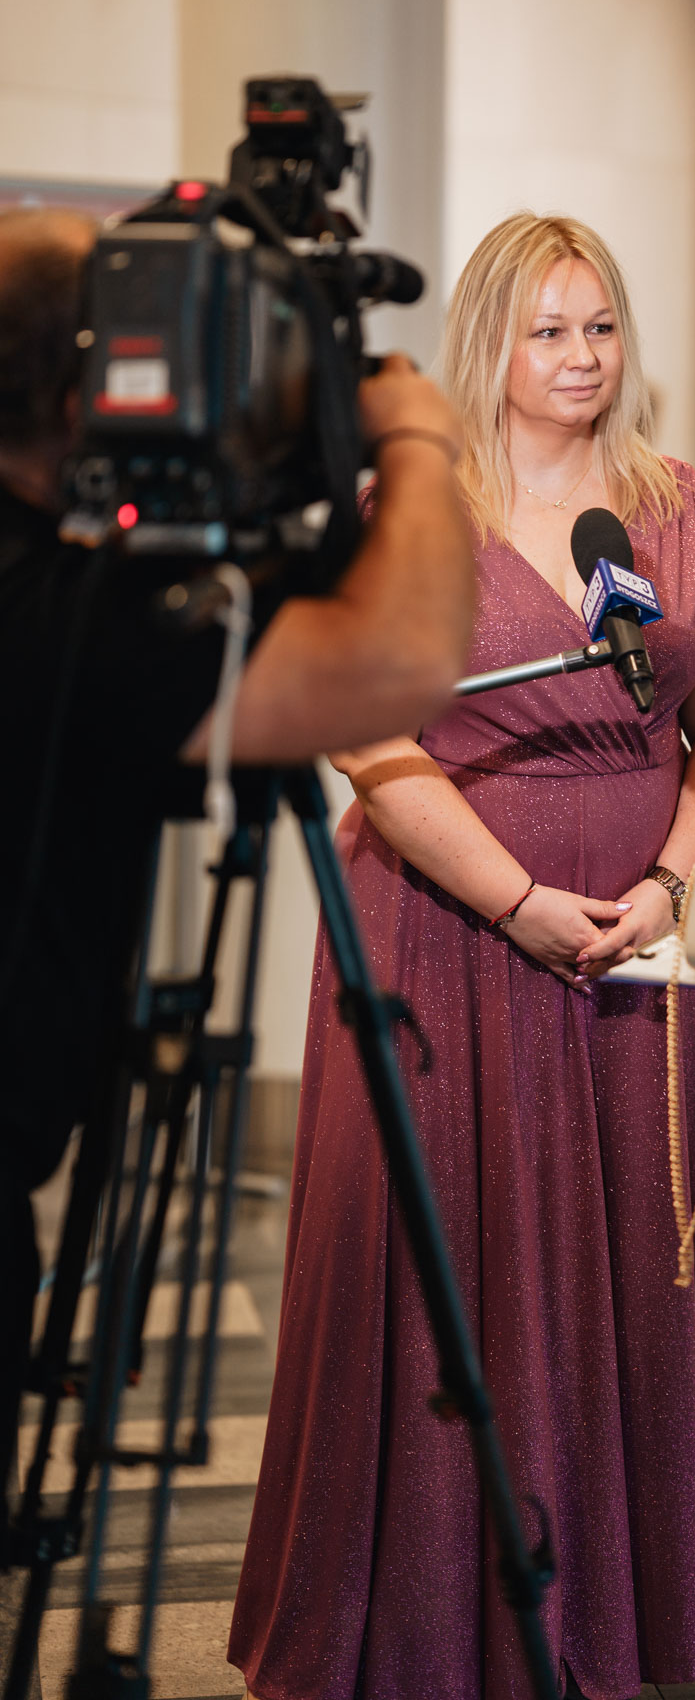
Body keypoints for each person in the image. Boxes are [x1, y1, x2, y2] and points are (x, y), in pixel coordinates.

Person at [229, 213, 695, 1700]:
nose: (581, 358)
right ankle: (414, 1625)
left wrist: (671, 877)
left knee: (629, 1269)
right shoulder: (407, 512)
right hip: (445, 929)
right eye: (548, 330)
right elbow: (364, 734)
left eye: (600, 326)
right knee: (447, 1261)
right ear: (488, 339)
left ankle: (610, 1614)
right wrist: (515, 897)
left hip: (640, 941)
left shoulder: (672, 501)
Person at [0, 207, 473, 1534]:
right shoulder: (65, 614)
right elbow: (400, 662)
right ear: (87, 389)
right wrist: (414, 439)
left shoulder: (56, 578)